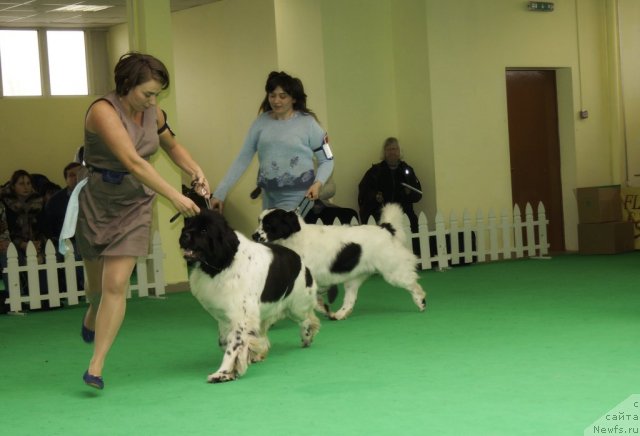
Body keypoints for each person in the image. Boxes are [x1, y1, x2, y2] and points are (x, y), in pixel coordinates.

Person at [70, 52, 209, 390]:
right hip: (99, 200)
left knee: (117, 283)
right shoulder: (102, 112)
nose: (153, 101)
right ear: (127, 85)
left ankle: (96, 365)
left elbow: (173, 146)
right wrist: (174, 195)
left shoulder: (153, 112)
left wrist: (194, 169)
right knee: (97, 288)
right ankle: (92, 309)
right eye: (148, 93)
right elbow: (133, 161)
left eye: (158, 94)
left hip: (135, 203)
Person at [210, 71, 334, 214]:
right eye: (272, 95)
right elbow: (242, 159)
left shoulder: (308, 124)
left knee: (287, 235)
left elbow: (327, 160)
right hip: (268, 196)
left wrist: (318, 184)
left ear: (293, 99)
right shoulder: (261, 122)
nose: (276, 101)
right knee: (269, 236)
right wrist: (220, 193)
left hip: (299, 196)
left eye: (283, 96)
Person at [358, 136, 422, 237]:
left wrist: (409, 192)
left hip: (404, 217)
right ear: (384, 152)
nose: (392, 152)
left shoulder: (407, 171)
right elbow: (363, 192)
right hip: (380, 217)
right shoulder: (375, 172)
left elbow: (418, 195)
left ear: (399, 151)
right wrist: (375, 196)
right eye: (389, 149)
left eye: (395, 149)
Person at [1, 170, 47, 263]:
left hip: (36, 244)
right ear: (13, 186)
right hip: (13, 245)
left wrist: (38, 243)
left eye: (28, 183)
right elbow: (6, 231)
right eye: (21, 184)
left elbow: (44, 228)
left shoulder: (38, 203)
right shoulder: (5, 204)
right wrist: (21, 244)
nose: (26, 187)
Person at [45, 162, 82, 246]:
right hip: (68, 243)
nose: (77, 177)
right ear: (66, 180)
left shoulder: (96, 196)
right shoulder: (54, 201)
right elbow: (50, 229)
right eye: (72, 175)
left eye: (80, 173)